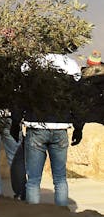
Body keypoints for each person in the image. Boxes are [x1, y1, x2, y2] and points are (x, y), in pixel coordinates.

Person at [10, 52, 82, 207]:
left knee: (34, 180)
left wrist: (15, 123)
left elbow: (20, 98)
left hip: (36, 127)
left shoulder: (29, 63)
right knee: (60, 178)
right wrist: (78, 127)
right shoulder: (71, 65)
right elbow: (76, 100)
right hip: (61, 127)